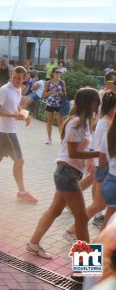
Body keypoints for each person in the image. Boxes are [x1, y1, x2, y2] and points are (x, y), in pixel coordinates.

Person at [26, 87, 101, 259]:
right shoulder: (75, 123)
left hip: (69, 173)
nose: (98, 106)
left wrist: (89, 161)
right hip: (66, 174)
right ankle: (86, 265)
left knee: (55, 211)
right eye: (96, 102)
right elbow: (72, 153)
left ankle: (33, 243)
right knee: (82, 218)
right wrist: (98, 155)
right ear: (89, 102)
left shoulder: (84, 123)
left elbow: (80, 150)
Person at [0, 66, 38, 203]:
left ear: (25, 79)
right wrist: (13, 115)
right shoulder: (4, 90)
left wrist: (24, 114)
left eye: (19, 79)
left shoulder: (17, 89)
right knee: (19, 161)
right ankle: (22, 192)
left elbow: (16, 105)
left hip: (7, 130)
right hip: (6, 132)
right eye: (15, 77)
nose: (16, 81)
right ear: (12, 75)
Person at [65, 91, 115, 236]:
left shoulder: (106, 123)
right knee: (98, 205)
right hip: (105, 170)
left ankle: (74, 232)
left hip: (104, 169)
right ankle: (72, 231)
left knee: (100, 205)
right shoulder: (106, 125)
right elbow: (103, 152)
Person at [99, 109, 116, 228]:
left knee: (105, 231)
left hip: (109, 182)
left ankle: (97, 247)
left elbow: (102, 163)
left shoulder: (108, 134)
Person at [43, 67, 67, 145]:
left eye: (59, 72)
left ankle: (62, 138)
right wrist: (51, 92)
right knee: (49, 122)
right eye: (56, 72)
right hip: (50, 103)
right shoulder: (49, 82)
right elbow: (44, 94)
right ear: (53, 73)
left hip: (59, 104)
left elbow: (65, 94)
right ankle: (49, 138)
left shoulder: (62, 82)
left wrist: (60, 92)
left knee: (60, 122)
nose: (58, 74)